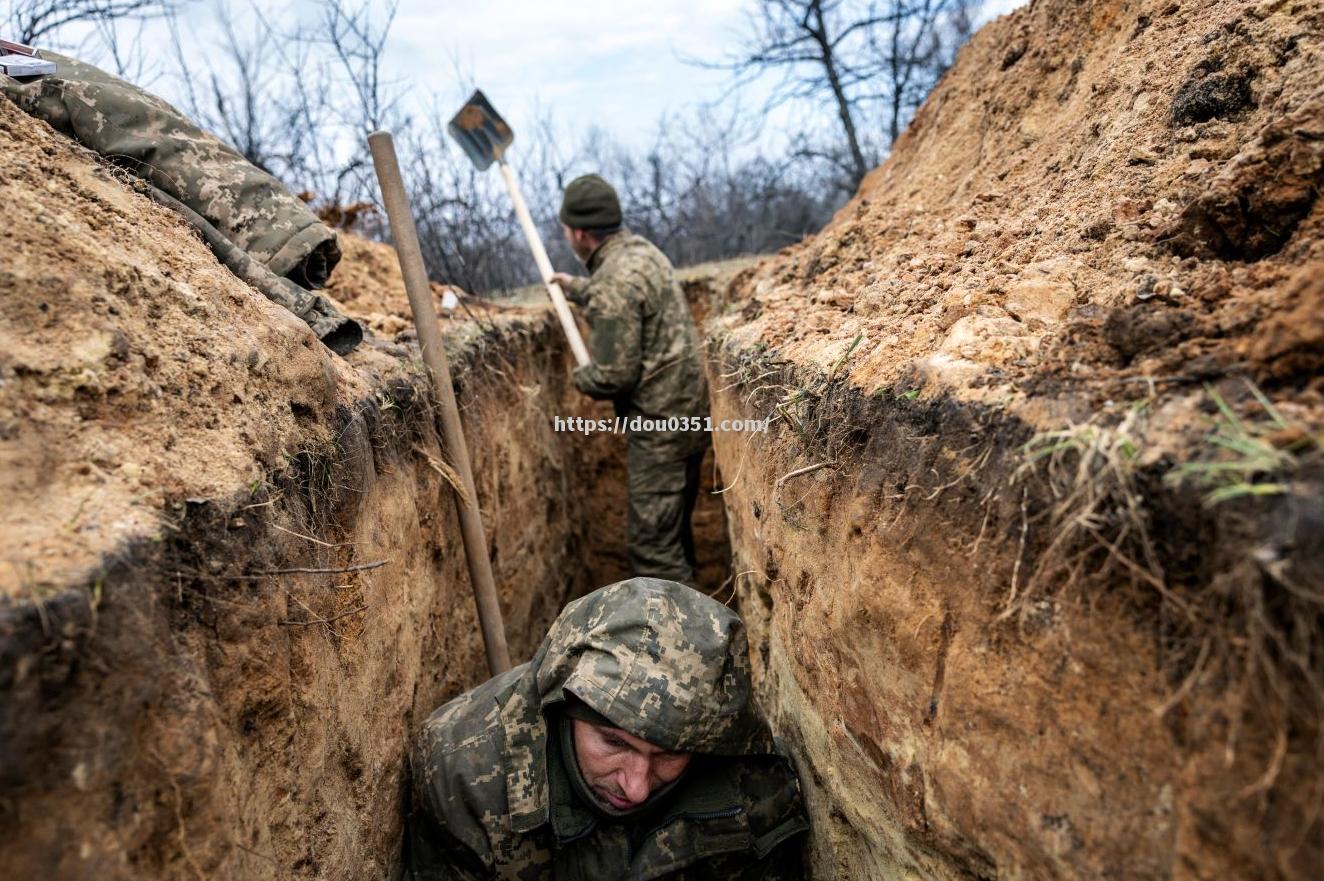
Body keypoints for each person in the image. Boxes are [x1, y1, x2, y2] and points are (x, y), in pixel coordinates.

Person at [407, 577, 809, 880]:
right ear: (562, 709)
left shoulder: (758, 788)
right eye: (613, 743)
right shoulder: (463, 773)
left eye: (668, 755)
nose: (636, 787)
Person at [550, 176, 709, 586]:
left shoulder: (613, 283)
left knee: (653, 549)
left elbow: (613, 376)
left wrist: (579, 377)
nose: (567, 235)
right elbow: (627, 298)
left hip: (660, 428)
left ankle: (683, 643)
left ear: (580, 233)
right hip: (690, 413)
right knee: (673, 528)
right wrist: (580, 289)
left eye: (566, 229)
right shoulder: (643, 253)